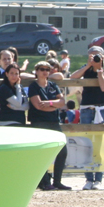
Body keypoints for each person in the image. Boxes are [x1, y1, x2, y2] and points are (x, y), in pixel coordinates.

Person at [71, 47, 104, 190]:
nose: (94, 58)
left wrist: (100, 71)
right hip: (86, 108)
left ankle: (98, 179)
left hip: (102, 108)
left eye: (97, 56)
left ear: (103, 57)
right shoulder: (86, 68)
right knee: (86, 143)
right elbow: (73, 78)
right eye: (91, 56)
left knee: (100, 143)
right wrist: (88, 66)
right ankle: (88, 178)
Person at [26, 61, 70, 190]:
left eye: (47, 69)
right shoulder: (34, 86)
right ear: (36, 71)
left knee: (62, 151)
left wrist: (49, 104)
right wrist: (54, 105)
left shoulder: (52, 85)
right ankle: (45, 182)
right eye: (41, 69)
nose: (44, 71)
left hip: (54, 121)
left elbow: (62, 102)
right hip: (39, 121)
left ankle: (57, 181)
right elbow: (38, 105)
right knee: (42, 152)